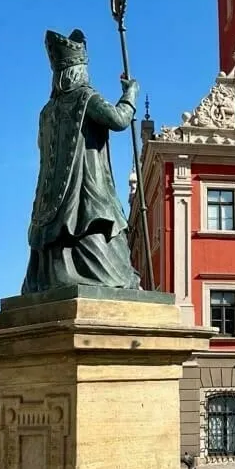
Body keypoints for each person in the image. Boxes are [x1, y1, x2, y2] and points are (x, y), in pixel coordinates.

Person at [21, 28, 141, 293]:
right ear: (79, 70)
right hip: (88, 187)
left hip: (50, 199)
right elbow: (119, 120)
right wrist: (131, 94)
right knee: (107, 248)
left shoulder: (46, 111)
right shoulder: (87, 97)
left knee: (61, 238)